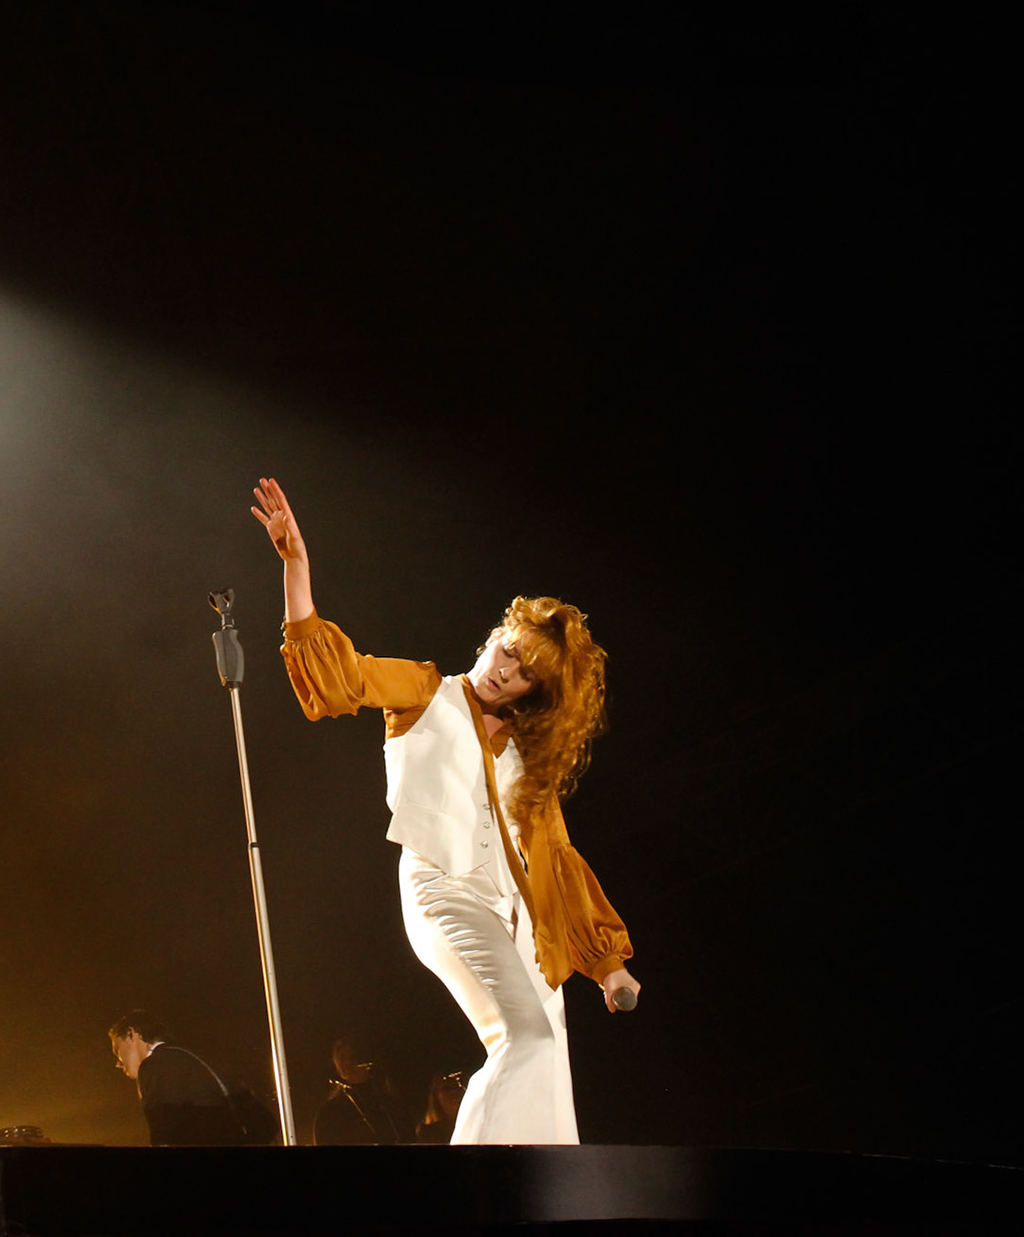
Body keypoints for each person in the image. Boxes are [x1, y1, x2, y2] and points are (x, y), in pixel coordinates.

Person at [250, 477, 640, 1145]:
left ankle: (537, 1195)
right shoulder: (427, 692)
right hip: (440, 889)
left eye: (521, 674)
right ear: (493, 637)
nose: (503, 671)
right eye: (506, 651)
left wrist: (608, 964)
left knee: (547, 1063)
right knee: (526, 1039)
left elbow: (557, 862)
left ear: (532, 694)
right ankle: (467, 1189)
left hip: (520, 916)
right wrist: (296, 570)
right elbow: (345, 678)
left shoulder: (527, 760)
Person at [108, 1010, 251, 1146]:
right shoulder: (202, 1059)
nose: (118, 1064)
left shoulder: (153, 1066)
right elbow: (265, 1124)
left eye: (117, 1050)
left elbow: (164, 1135)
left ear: (131, 1034)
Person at [311, 1034, 411, 1145]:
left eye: (352, 1057)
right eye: (342, 1058)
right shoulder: (329, 1113)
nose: (347, 1063)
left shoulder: (389, 1106)